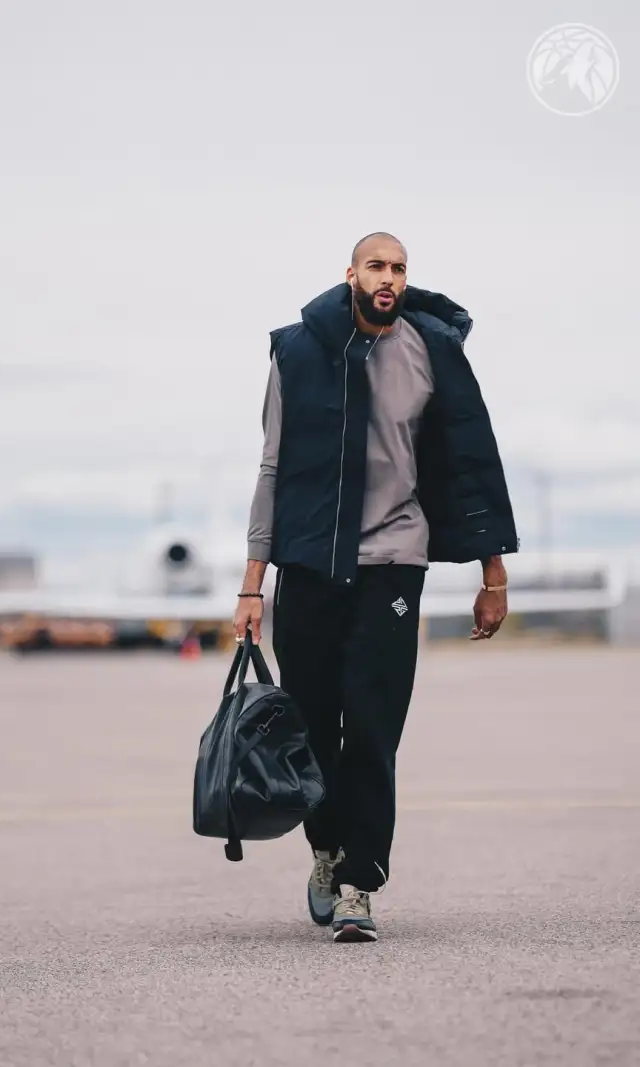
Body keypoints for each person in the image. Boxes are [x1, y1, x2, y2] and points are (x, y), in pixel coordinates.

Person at [233, 232, 518, 943]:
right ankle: (326, 851)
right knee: (311, 722)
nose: (388, 277)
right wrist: (251, 584)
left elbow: (472, 459)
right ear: (350, 275)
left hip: (394, 557)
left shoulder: (432, 351)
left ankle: (361, 880)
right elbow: (271, 467)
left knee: (371, 724)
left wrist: (493, 572)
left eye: (398, 268)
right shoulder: (296, 352)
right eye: (376, 266)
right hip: (308, 561)